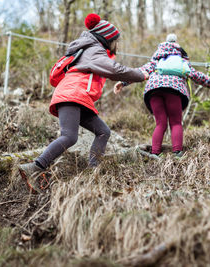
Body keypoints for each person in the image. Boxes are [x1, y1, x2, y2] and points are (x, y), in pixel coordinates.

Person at [19, 13, 149, 193]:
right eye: (115, 40)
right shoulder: (94, 50)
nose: (117, 45)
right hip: (72, 94)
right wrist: (140, 74)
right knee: (69, 136)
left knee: (103, 132)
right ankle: (35, 167)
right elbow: (114, 70)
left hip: (79, 97)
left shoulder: (90, 49)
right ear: (107, 38)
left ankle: (92, 171)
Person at [114, 33, 210, 158]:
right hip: (174, 90)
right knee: (175, 122)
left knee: (160, 123)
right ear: (178, 48)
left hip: (153, 90)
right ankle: (177, 152)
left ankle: (155, 153)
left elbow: (139, 72)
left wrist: (123, 82)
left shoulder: (156, 60)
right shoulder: (181, 61)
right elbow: (198, 76)